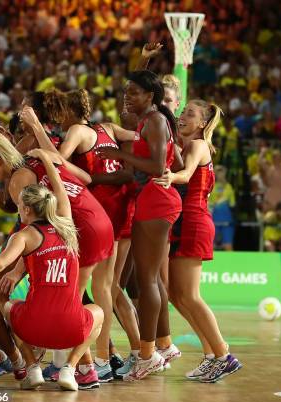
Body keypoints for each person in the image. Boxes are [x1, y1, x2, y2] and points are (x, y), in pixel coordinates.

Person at [0, 149, 104, 391]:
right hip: (70, 329)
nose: (18, 209)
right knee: (98, 312)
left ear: (28, 210)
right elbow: (60, 189)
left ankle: (29, 366)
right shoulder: (68, 226)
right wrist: (48, 162)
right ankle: (69, 369)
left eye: (20, 206)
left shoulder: (24, 236)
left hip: (34, 328)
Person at [35, 88, 137, 382]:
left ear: (68, 113)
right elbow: (140, 135)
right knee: (109, 288)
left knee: (88, 290)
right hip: (118, 214)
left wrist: (38, 136)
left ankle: (88, 360)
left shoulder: (77, 131)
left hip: (95, 213)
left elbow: (56, 160)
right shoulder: (108, 128)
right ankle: (114, 355)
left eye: (60, 115)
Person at [96, 70, 181, 380]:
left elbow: (159, 166)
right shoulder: (154, 121)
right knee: (151, 281)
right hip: (157, 199)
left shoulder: (155, 120)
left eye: (133, 92)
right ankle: (159, 348)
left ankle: (147, 355)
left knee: (147, 282)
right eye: (126, 91)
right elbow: (176, 164)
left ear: (149, 95)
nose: (127, 97)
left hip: (156, 202)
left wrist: (119, 154)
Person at [154, 100, 242, 382]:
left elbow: (187, 173)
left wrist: (172, 177)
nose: (183, 116)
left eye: (190, 113)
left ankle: (223, 354)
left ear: (203, 123)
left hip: (193, 221)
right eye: (182, 112)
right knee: (177, 295)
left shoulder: (198, 145)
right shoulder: (189, 145)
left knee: (189, 295)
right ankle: (210, 354)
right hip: (185, 222)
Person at [210, 165, 236, 250]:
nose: (220, 175)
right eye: (218, 173)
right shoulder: (211, 186)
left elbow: (232, 204)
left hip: (226, 221)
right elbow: (207, 202)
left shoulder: (229, 187)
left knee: (228, 245)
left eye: (222, 173)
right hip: (213, 220)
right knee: (211, 245)